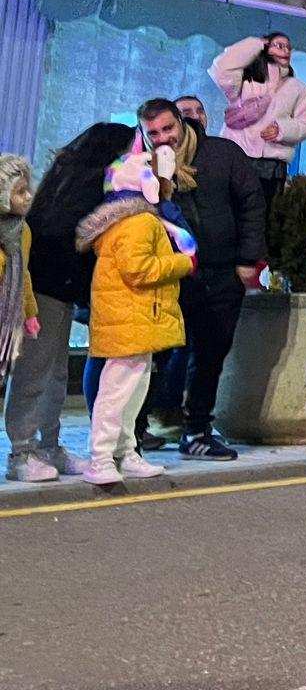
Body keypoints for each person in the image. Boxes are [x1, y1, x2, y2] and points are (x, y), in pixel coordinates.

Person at [137, 97, 266, 460]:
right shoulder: (142, 166)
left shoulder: (222, 153)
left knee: (210, 357)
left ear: (181, 123)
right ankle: (133, 432)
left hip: (221, 272)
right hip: (169, 276)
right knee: (155, 357)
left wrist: (247, 259)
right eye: (153, 133)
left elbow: (252, 204)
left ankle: (196, 431)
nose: (163, 138)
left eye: (168, 128)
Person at [7, 124, 132, 480]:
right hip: (44, 289)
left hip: (60, 289)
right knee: (35, 371)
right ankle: (21, 452)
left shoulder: (73, 184)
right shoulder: (82, 191)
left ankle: (49, 446)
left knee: (55, 373)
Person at [77, 139, 195, 486]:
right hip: (131, 318)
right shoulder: (140, 222)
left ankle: (125, 452)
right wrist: (182, 263)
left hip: (135, 318)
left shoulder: (131, 218)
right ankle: (101, 458)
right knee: (117, 394)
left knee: (130, 393)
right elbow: (138, 269)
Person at [209, 31, 306, 202]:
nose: (286, 51)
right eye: (280, 46)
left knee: (262, 214)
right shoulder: (245, 80)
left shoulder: (298, 88)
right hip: (235, 158)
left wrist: (282, 129)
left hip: (272, 166)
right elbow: (222, 67)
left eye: (288, 47)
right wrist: (257, 43)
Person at [0, 156, 40, 401]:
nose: (28, 196)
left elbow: (23, 273)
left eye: (28, 189)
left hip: (7, 318)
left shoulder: (22, 230)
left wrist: (30, 312)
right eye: (20, 192)